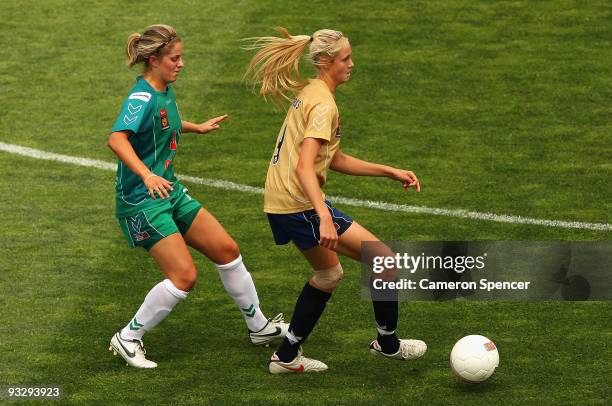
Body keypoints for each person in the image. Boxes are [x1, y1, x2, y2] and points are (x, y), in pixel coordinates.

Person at [243, 28, 427, 374]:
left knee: (329, 273)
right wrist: (323, 217)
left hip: (282, 200)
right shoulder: (324, 105)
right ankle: (387, 345)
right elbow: (303, 167)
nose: (352, 64)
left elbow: (332, 159)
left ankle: (286, 358)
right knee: (382, 261)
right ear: (327, 61)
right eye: (346, 59)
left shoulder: (312, 91)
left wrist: (388, 171)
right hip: (299, 203)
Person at [107, 24, 288, 369]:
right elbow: (117, 139)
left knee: (227, 249)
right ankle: (128, 337)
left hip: (169, 192)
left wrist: (195, 126)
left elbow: (163, 122)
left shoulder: (163, 90)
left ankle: (259, 327)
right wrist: (146, 175)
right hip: (142, 202)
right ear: (155, 60)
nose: (182, 64)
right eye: (175, 58)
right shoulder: (141, 97)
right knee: (184, 277)